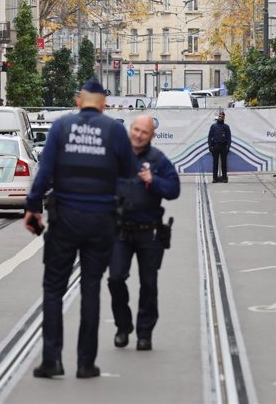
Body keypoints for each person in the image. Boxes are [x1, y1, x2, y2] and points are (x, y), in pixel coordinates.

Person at [24, 79, 135, 379]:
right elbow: (129, 174)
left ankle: (52, 360)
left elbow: (44, 173)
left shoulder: (61, 128)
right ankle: (86, 363)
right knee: (90, 288)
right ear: (104, 105)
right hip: (101, 220)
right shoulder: (114, 131)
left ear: (78, 101)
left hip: (65, 219)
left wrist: (32, 208)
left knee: (53, 289)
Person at [108, 115, 180, 351]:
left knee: (149, 284)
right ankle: (123, 325)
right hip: (120, 230)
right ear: (130, 130)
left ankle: (144, 333)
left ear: (152, 135)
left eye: (144, 132)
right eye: (136, 130)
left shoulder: (157, 160)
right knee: (116, 279)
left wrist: (154, 181)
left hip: (149, 231)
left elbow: (174, 190)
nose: (139, 135)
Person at [208, 111, 232, 183]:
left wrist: (228, 147)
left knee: (224, 163)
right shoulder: (213, 126)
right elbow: (210, 136)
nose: (220, 117)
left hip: (223, 146)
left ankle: (224, 178)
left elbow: (229, 138)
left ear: (224, 118)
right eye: (220, 116)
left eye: (222, 116)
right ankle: (215, 178)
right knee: (215, 163)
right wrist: (210, 146)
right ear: (218, 117)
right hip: (215, 146)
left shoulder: (226, 127)